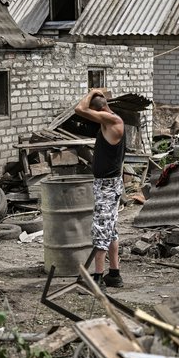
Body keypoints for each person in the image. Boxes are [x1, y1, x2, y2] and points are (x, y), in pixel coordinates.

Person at [74, 89, 125, 290]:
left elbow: (80, 109)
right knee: (110, 231)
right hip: (108, 185)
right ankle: (114, 274)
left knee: (101, 231)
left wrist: (92, 91)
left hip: (107, 186)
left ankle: (97, 279)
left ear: (102, 110)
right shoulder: (109, 121)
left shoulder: (113, 121)